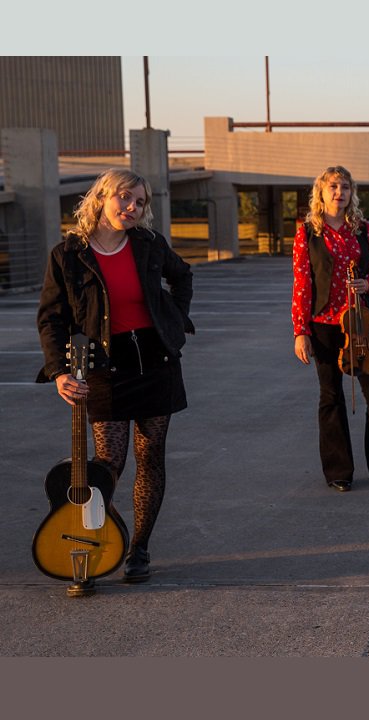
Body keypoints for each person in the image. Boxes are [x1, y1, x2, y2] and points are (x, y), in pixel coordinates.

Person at [36, 168, 194, 584]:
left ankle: (138, 548)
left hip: (156, 361)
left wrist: (175, 319)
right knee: (107, 466)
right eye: (125, 198)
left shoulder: (149, 244)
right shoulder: (69, 254)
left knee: (151, 457)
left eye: (140, 202)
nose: (132, 208)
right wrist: (58, 372)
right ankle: (102, 537)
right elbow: (51, 318)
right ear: (102, 197)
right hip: (104, 366)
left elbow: (182, 276)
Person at [292, 166, 369, 492]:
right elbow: (302, 284)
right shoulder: (308, 232)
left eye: (345, 187)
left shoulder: (363, 230)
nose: (340, 192)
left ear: (352, 193)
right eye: (333, 187)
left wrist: (367, 283)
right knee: (331, 397)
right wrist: (301, 330)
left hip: (359, 323)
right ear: (321, 192)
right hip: (324, 325)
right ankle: (339, 472)